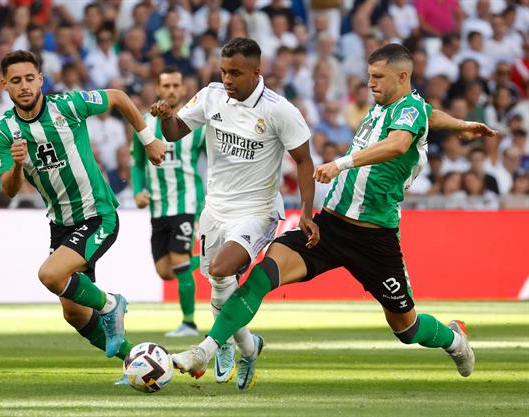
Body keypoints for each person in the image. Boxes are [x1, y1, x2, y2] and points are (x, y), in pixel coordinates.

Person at [171, 43, 498, 389]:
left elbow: (399, 144)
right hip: (330, 225)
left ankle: (453, 339)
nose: (370, 83)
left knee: (407, 328)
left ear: (402, 77)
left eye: (378, 77)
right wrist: (459, 124)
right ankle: (206, 350)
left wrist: (341, 163)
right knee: (262, 275)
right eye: (369, 75)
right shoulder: (393, 107)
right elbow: (430, 115)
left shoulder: (408, 110)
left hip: (375, 237)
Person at [150, 37, 317, 391]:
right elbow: (177, 132)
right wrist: (167, 118)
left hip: (256, 211)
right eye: (224, 71)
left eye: (236, 73)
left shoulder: (279, 110)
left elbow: (303, 161)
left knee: (223, 269)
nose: (227, 79)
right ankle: (246, 345)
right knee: (218, 281)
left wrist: (306, 213)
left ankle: (213, 345)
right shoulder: (211, 96)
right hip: (216, 208)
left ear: (257, 72)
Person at [0, 50, 166, 372]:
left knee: (50, 274)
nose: (24, 86)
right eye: (16, 81)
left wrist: (148, 139)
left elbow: (118, 97)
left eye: (30, 78)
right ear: (5, 85)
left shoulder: (67, 107)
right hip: (61, 225)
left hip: (97, 215)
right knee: (73, 314)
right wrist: (16, 165)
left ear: (40, 79)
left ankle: (111, 304)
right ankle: (138, 363)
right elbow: (9, 189)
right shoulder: (2, 133)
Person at [133, 66, 206, 337]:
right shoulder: (143, 123)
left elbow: (213, 160)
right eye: (167, 86)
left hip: (187, 203)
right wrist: (138, 191)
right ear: (158, 89)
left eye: (177, 85)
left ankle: (189, 323)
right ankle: (216, 261)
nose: (172, 90)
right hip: (157, 206)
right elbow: (138, 163)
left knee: (178, 259)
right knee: (166, 271)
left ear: (184, 89)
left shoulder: (195, 124)